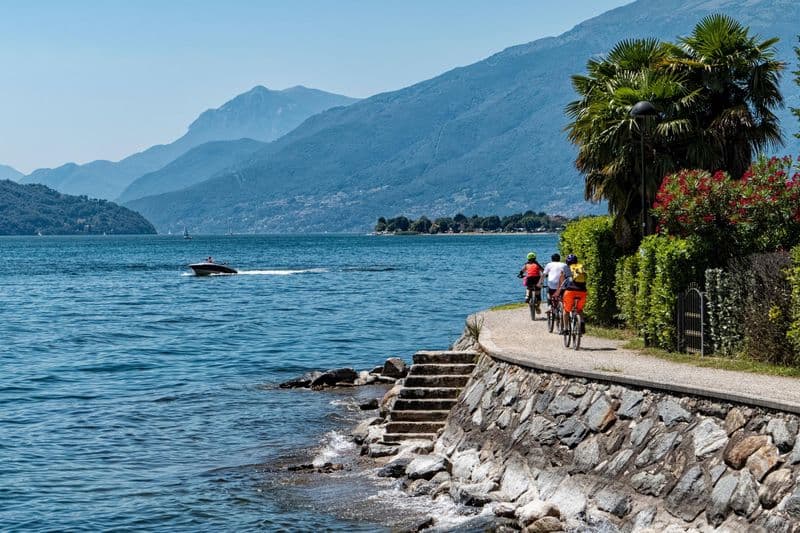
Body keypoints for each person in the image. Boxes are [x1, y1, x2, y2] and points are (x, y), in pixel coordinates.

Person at [555, 254, 587, 332]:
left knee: (566, 310)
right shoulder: (581, 267)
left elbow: (562, 282)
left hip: (570, 291)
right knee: (579, 309)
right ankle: (581, 322)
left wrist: (558, 292)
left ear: (567, 262)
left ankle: (566, 329)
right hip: (582, 291)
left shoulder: (565, 268)